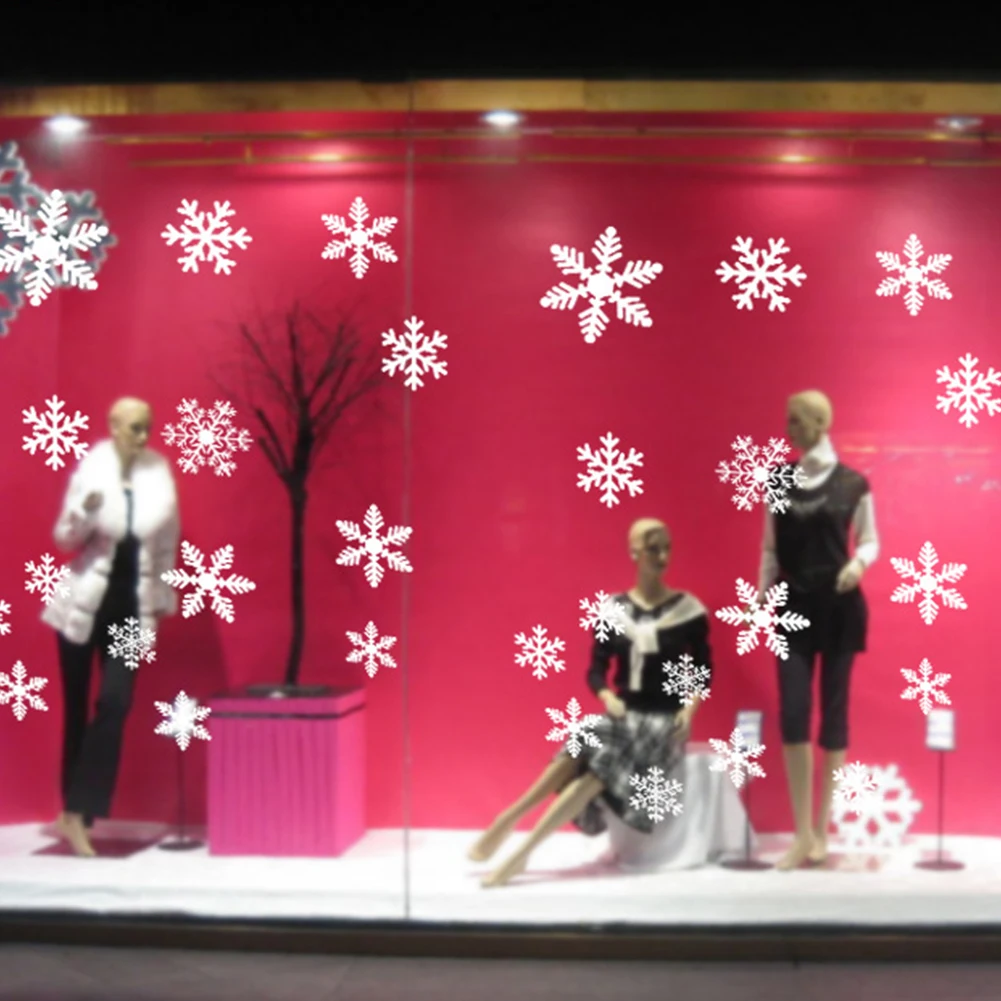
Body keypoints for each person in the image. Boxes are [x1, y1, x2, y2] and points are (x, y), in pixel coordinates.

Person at [468, 517, 713, 888]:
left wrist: (689, 709)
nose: (662, 557)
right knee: (584, 735)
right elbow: (596, 670)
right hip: (624, 714)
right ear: (634, 553)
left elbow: (703, 671)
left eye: (667, 548)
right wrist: (607, 696)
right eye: (653, 549)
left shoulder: (688, 610)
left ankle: (524, 852)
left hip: (662, 722)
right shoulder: (613, 610)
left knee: (603, 763)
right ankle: (510, 817)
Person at [41, 397, 180, 857]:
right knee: (76, 708)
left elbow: (166, 546)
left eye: (148, 427)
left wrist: (161, 595)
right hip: (83, 606)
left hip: (128, 610)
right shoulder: (92, 470)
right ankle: (74, 815)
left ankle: (77, 809)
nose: (143, 436)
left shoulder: (158, 477)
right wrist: (84, 510)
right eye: (135, 427)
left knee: (115, 702)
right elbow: (64, 539)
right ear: (114, 426)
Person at [758, 390, 880, 870]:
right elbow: (770, 548)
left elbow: (869, 540)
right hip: (792, 606)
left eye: (796, 419)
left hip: (840, 607)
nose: (788, 427)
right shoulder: (777, 481)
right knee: (793, 712)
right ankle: (801, 832)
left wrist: (858, 564)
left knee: (833, 712)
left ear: (820, 422)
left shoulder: (854, 484)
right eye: (787, 419)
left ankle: (822, 830)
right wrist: (760, 595)